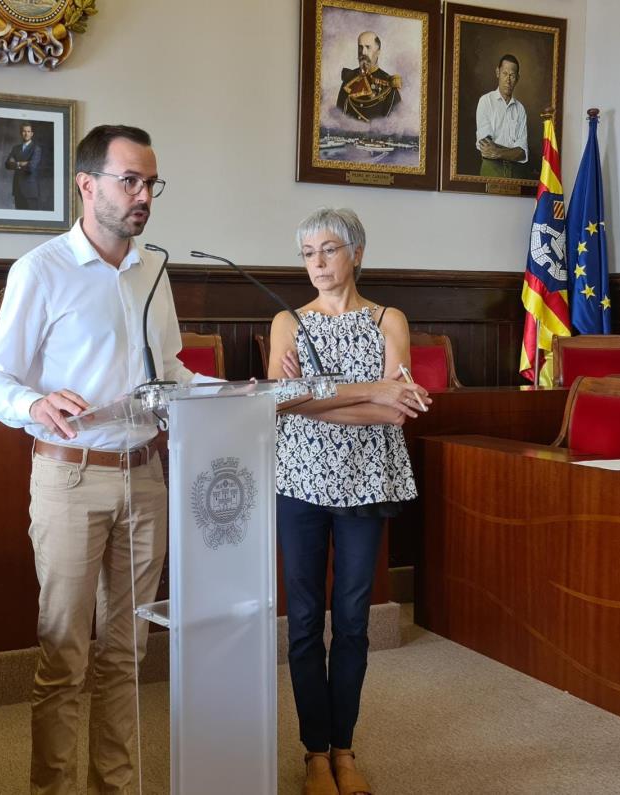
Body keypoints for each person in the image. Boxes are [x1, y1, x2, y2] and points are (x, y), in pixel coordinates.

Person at [0, 124, 196, 795]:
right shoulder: (40, 269)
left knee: (126, 655)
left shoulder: (153, 267)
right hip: (70, 477)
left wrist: (227, 395)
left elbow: (173, 368)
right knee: (64, 655)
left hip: (145, 478)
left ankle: (115, 787)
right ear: (86, 184)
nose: (143, 195)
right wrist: (35, 403)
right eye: (130, 180)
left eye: (151, 182)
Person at [269, 208, 428, 795]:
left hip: (367, 481)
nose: (317, 262)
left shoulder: (390, 318)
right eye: (308, 252)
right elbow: (276, 403)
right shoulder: (288, 321)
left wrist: (314, 394)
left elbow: (399, 408)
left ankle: (344, 747)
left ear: (356, 253)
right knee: (307, 619)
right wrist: (367, 393)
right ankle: (314, 752)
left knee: (354, 620)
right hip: (301, 482)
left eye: (329, 249)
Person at [475, 54, 528, 178]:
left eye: (512, 75)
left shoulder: (520, 109)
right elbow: (486, 148)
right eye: (505, 74)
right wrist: (512, 151)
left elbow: (523, 153)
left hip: (516, 173)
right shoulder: (485, 101)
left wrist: (498, 151)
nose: (508, 80)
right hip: (491, 170)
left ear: (518, 78)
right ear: (497, 72)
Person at [336, 32, 402, 122]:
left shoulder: (389, 85)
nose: (363, 52)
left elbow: (393, 126)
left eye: (368, 47)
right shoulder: (349, 80)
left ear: (378, 52)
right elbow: (338, 118)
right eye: (360, 47)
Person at [5, 121, 43, 209]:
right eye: (24, 131)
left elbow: (31, 167)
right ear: (21, 133)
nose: (26, 134)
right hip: (17, 189)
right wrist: (21, 163)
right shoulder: (16, 148)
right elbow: (7, 164)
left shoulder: (36, 149)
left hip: (30, 191)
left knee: (31, 219)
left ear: (32, 134)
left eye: (28, 131)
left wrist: (15, 163)